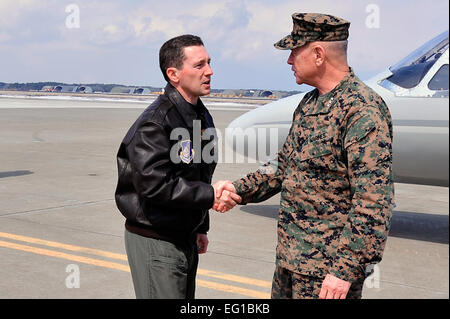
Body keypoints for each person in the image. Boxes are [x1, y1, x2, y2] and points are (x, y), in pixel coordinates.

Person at [214, 13, 394, 299]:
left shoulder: (362, 110)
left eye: (294, 52)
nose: (289, 61)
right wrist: (238, 189)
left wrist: (344, 272)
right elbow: (283, 165)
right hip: (290, 262)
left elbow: (373, 202)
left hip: (327, 274)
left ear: (318, 54)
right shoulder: (310, 103)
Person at [115, 34, 241, 299]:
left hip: (183, 234)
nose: (209, 71)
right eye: (199, 65)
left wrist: (200, 225)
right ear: (173, 74)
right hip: (156, 239)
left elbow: (198, 173)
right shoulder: (156, 123)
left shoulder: (198, 114)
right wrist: (211, 196)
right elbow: (154, 184)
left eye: (209, 62)